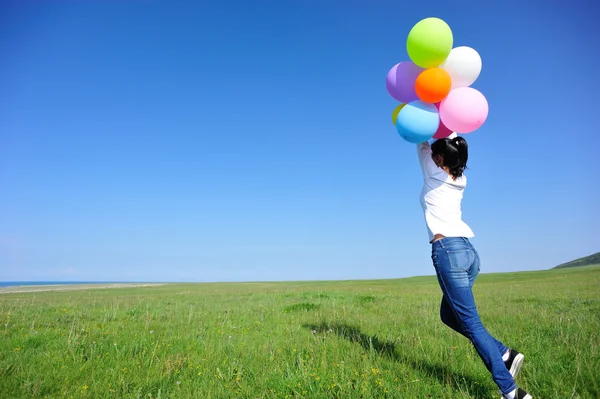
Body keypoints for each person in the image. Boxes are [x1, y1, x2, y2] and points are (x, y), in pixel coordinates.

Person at [417, 133, 531, 399]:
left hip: (449, 252)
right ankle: (504, 353)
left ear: (440, 158)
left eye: (435, 153)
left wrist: (426, 112)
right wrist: (450, 128)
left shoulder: (433, 173)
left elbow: (419, 142)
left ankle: (512, 392)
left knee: (472, 324)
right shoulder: (460, 179)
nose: (431, 155)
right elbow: (448, 144)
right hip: (468, 253)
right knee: (449, 315)